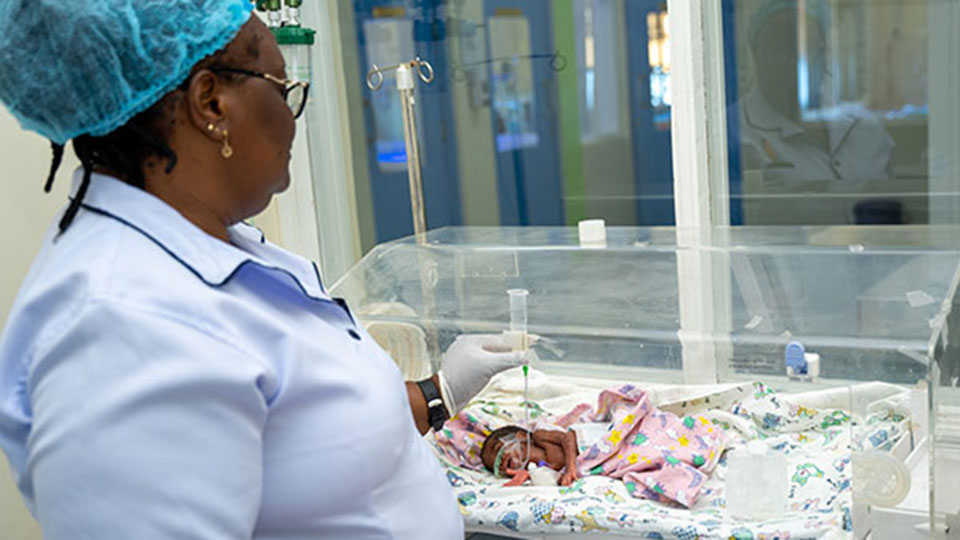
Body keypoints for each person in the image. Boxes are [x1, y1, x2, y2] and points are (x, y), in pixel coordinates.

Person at [0, 1, 529, 538]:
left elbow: (314, 442)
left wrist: (439, 392)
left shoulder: (220, 245)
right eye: (283, 89)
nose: (293, 118)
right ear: (211, 103)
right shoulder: (122, 327)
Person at [480, 425, 580, 486]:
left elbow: (568, 437)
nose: (501, 463)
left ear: (522, 436)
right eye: (497, 467)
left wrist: (570, 468)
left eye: (499, 450)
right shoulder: (535, 473)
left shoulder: (539, 437)